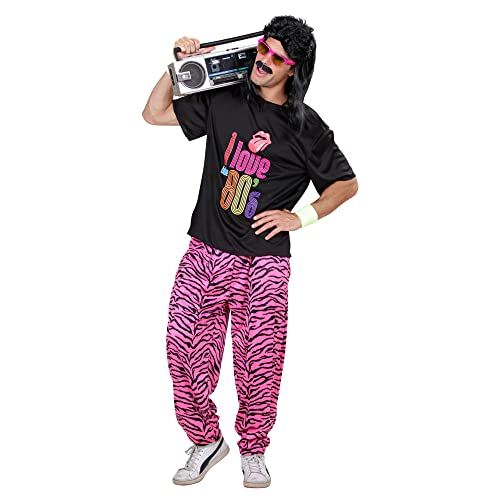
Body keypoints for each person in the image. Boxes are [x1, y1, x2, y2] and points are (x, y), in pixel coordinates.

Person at [142, 15, 358, 488]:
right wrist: (179, 67)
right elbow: (153, 113)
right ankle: (205, 441)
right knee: (183, 351)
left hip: (264, 264)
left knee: (259, 363)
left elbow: (346, 184)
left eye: (278, 57)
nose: (265, 60)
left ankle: (254, 449)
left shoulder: (306, 127)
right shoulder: (224, 99)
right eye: (264, 48)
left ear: (293, 69)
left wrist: (300, 217)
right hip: (206, 251)